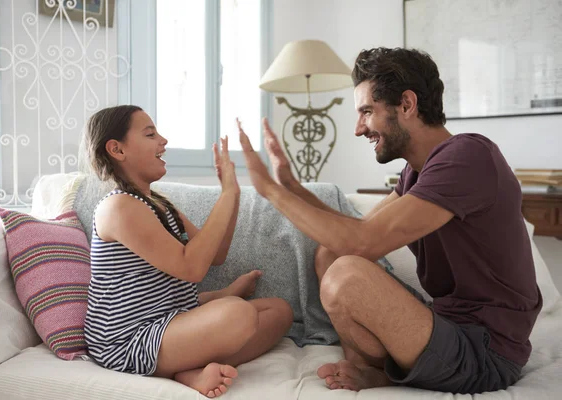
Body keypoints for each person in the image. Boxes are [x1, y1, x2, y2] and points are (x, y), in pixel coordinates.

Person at [238, 47, 542, 394]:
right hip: (445, 325)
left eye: (367, 111)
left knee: (346, 272)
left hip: (485, 351)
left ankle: (380, 373)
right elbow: (353, 231)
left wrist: (271, 192)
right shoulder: (417, 173)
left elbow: (363, 241)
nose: (358, 128)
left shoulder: (468, 157)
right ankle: (368, 371)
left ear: (407, 105)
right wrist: (290, 185)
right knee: (331, 255)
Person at [82, 105, 293, 398]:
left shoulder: (159, 205)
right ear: (117, 149)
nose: (163, 141)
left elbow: (215, 254)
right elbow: (192, 267)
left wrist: (231, 195)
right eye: (150, 134)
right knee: (238, 314)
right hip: (128, 340)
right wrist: (229, 194)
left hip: (170, 320)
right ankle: (180, 371)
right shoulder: (118, 207)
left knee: (279, 311)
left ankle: (185, 365)